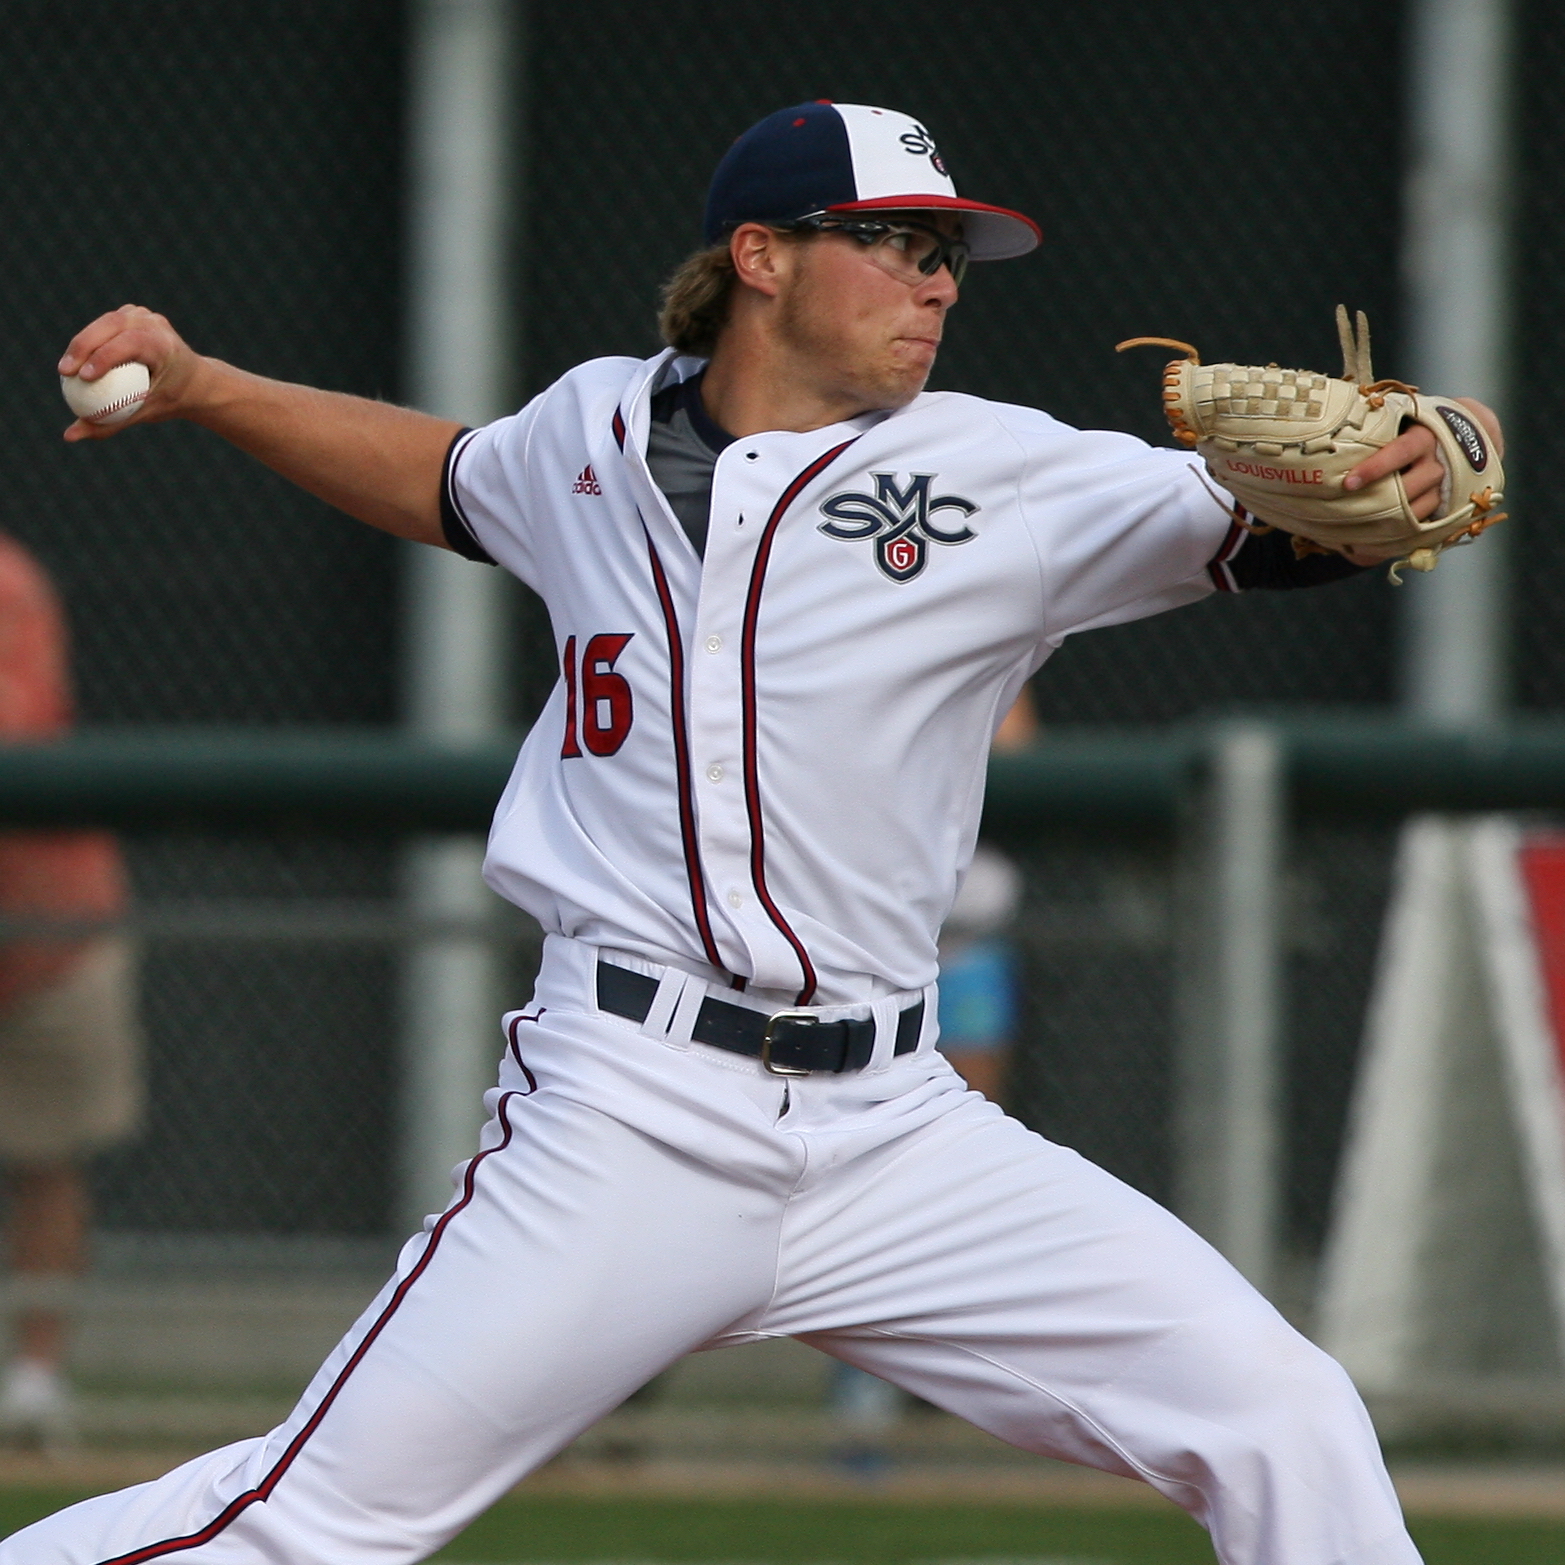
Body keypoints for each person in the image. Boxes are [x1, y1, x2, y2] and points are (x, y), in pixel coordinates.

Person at [11, 101, 1496, 1565]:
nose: (936, 283)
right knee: (305, 1521)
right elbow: (447, 476)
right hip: (631, 1113)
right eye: (897, 243)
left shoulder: (1001, 474)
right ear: (761, 256)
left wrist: (1441, 439)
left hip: (899, 1132)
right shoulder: (587, 430)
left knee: (1282, 1416)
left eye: (949, 256)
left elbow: (1286, 523)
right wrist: (204, 385)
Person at [0, 535, 139, 1455]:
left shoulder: (8, 581)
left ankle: (33, 1381)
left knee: (49, 1156)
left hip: (46, 925)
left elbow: (16, 726)